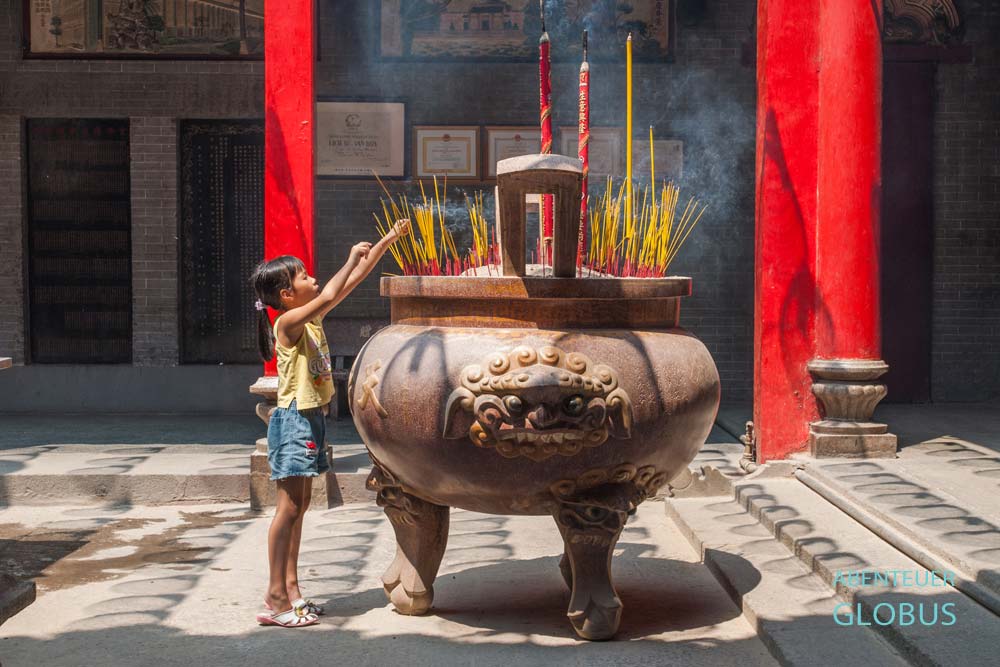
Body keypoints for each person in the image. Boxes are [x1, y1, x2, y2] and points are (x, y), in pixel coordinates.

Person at [250, 219, 410, 628]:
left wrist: (386, 243)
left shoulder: (309, 319)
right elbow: (337, 286)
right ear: (287, 294)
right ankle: (274, 597)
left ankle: (293, 590)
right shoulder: (286, 324)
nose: (313, 278)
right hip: (292, 422)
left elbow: (350, 283)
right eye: (303, 276)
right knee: (287, 509)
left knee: (300, 506)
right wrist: (348, 258)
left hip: (309, 420)